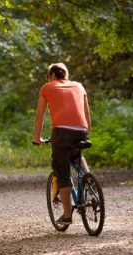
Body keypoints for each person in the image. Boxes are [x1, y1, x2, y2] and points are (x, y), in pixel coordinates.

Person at [33, 63, 91, 225]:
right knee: (78, 155)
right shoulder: (79, 86)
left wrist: (37, 138)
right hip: (81, 131)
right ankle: (89, 183)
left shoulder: (47, 87)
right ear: (66, 74)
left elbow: (40, 116)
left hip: (61, 133)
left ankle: (67, 215)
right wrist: (86, 134)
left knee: (62, 171)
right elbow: (86, 113)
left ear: (51, 75)